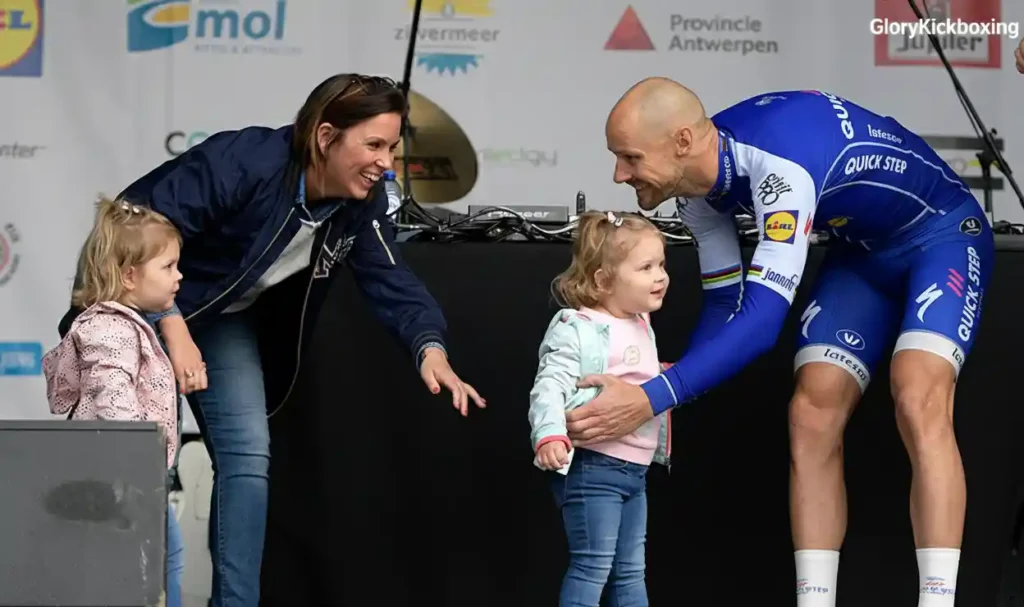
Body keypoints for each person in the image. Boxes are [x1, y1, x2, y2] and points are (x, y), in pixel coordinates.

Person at [58, 74, 486, 607]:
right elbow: (134, 221)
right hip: (139, 317)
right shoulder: (244, 161)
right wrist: (171, 321)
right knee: (137, 463)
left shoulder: (362, 202)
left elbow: (391, 278)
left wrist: (430, 347)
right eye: (374, 145)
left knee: (247, 459)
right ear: (325, 137)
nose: (386, 163)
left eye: (392, 148)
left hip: (223, 322)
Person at [566, 78, 993, 607]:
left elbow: (762, 323)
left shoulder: (779, 168)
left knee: (916, 393)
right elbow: (726, 306)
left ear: (682, 142)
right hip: (861, 254)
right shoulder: (697, 192)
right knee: (810, 414)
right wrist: (660, 388)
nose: (618, 174)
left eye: (630, 157)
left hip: (941, 234)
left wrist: (651, 398)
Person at [44, 198, 186, 607]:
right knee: (139, 570)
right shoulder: (110, 330)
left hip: (132, 480)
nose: (179, 276)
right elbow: (115, 403)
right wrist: (136, 466)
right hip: (118, 484)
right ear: (129, 276)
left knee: (165, 559)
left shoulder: (123, 326)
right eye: (168, 267)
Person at [529, 210, 672, 607]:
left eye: (661, 265)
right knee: (592, 566)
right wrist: (549, 434)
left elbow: (632, 375)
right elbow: (549, 385)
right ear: (603, 281)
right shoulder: (577, 326)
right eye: (645, 267)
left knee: (631, 572)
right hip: (594, 468)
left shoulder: (640, 322)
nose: (660, 276)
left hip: (635, 472)